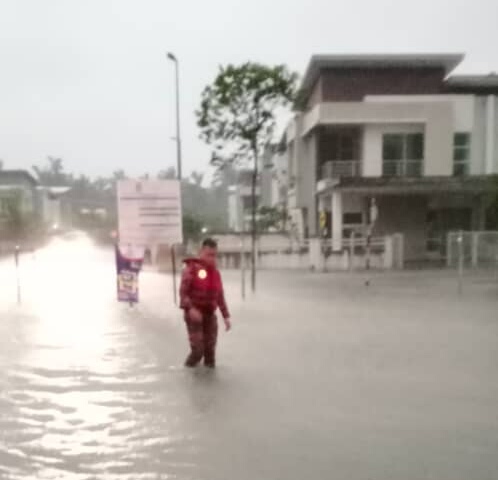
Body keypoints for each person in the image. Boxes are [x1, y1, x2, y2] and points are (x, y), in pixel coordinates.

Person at [179, 238, 231, 368]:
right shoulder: (190, 270)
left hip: (209, 315)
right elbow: (183, 294)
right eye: (209, 255)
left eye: (214, 255)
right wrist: (190, 309)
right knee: (198, 351)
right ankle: (188, 373)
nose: (212, 258)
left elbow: (220, 296)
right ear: (201, 252)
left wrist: (226, 316)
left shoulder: (216, 273)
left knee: (210, 353)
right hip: (194, 315)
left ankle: (209, 384)